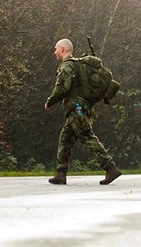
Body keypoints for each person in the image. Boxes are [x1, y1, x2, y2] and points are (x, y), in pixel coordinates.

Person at [44, 38, 121, 185]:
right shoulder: (78, 65)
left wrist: (50, 101)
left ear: (62, 49)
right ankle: (61, 173)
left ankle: (110, 168)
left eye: (56, 49)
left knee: (86, 135)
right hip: (79, 106)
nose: (55, 52)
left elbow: (62, 87)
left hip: (77, 107)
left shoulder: (67, 66)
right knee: (65, 138)